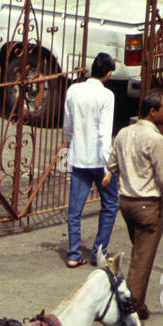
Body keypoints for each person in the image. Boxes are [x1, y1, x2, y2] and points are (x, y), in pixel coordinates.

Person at [106, 90, 163, 320]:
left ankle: (139, 305)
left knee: (140, 253)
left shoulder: (123, 133)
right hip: (148, 207)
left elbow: (112, 163)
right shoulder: (155, 139)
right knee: (141, 261)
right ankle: (127, 309)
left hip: (126, 203)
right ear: (152, 112)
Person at [63, 52, 119, 269]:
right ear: (108, 73)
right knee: (110, 204)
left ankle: (73, 253)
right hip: (98, 159)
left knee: (74, 209)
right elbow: (105, 132)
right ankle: (99, 251)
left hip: (78, 156)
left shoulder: (74, 90)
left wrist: (68, 141)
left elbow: (68, 121)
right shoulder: (107, 96)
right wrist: (109, 165)